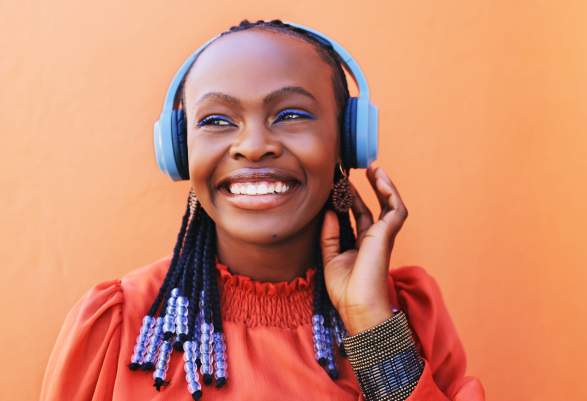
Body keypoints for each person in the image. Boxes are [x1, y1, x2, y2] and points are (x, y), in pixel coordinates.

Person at [39, 19, 485, 401]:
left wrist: (372, 327)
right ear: (179, 150)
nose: (253, 146)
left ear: (347, 140)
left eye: (290, 114)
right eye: (217, 121)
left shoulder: (406, 315)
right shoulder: (116, 327)